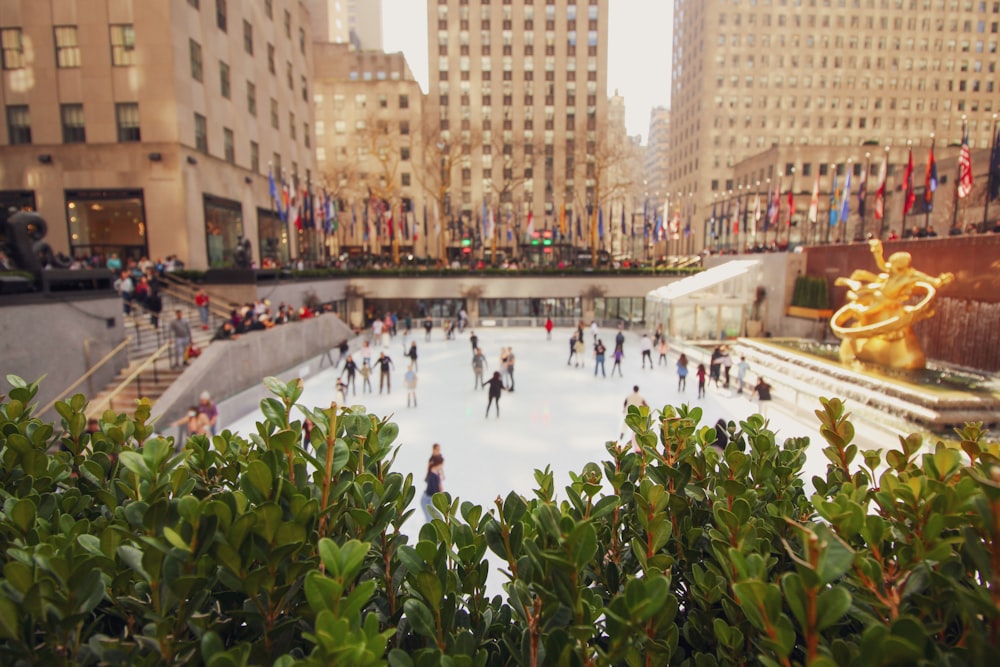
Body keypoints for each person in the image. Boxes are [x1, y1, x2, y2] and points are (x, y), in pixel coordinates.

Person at [421, 444, 445, 522]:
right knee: (431, 520)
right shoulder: (433, 477)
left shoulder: (435, 474)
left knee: (431, 519)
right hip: (428, 500)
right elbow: (436, 491)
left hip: (428, 498)